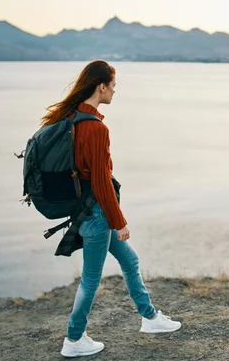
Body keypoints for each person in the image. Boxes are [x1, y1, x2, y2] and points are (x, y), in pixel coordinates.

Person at [41, 60, 181, 358]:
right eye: (113, 86)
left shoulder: (72, 117)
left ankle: (150, 317)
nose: (115, 91)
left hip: (86, 209)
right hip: (97, 216)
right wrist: (119, 222)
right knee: (91, 279)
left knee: (130, 261)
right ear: (101, 86)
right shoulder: (95, 128)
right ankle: (74, 338)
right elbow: (102, 181)